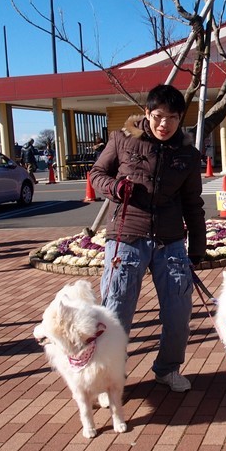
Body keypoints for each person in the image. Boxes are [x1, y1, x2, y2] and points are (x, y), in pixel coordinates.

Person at [89, 84, 205, 393]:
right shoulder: (122, 140)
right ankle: (110, 379)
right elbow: (96, 173)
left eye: (172, 118)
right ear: (146, 114)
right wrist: (116, 188)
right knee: (116, 313)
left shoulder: (188, 155)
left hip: (170, 240)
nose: (164, 124)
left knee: (179, 313)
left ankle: (167, 369)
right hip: (126, 238)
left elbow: (194, 203)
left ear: (181, 119)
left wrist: (198, 246)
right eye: (158, 116)